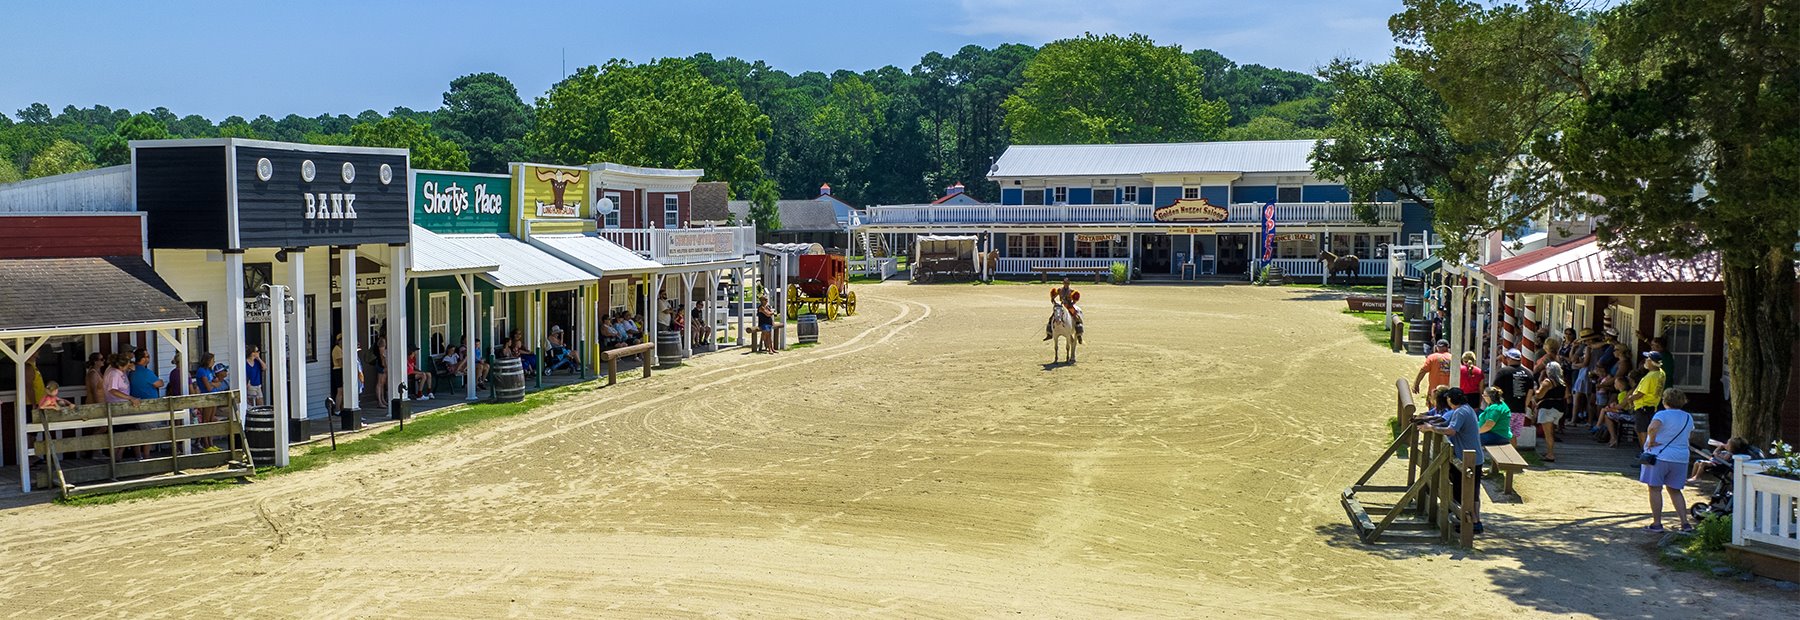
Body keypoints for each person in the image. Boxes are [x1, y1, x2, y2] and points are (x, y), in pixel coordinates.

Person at [1419, 388, 1485, 534]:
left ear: (1451, 400)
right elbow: (1445, 423)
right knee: (1472, 492)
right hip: (1474, 457)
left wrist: (1430, 428)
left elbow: (1451, 430)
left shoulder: (1460, 412)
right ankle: (1474, 521)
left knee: (1464, 491)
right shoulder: (1466, 409)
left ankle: (1471, 522)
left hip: (1467, 458)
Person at [1639, 388, 1695, 533]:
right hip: (1681, 457)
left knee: (1655, 488)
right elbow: (1689, 434)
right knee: (1675, 490)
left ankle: (1657, 523)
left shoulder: (1662, 414)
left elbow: (1652, 428)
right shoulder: (1688, 417)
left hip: (1660, 456)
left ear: (1665, 401)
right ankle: (1685, 523)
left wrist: (1651, 441)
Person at [1529, 360, 1569, 462]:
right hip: (1559, 409)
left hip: (1547, 408)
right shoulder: (1563, 382)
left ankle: (1550, 454)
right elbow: (1566, 396)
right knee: (1551, 432)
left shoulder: (1548, 382)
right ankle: (1549, 451)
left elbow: (1539, 395)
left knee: (1548, 434)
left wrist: (1536, 386)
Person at [1492, 348, 1533, 443]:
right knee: (1513, 435)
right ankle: (1513, 451)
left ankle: (1503, 452)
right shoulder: (1528, 373)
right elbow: (1530, 392)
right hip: (1520, 410)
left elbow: (1495, 389)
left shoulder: (1503, 372)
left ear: (1509, 359)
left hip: (1505, 409)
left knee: (1502, 434)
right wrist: (1525, 405)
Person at [1690, 437, 1760, 483]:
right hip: (1715, 462)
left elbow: (1718, 456)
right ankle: (1693, 477)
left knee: (1703, 463)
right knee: (1697, 462)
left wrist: (1719, 450)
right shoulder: (1726, 452)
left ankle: (1697, 477)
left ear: (1731, 447)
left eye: (1727, 444)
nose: (1726, 445)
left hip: (1718, 465)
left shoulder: (1729, 454)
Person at [1629, 352, 1667, 437]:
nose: (1645, 361)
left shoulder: (1650, 377)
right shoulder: (1661, 373)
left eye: (1647, 359)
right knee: (1646, 429)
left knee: (1642, 431)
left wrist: (1630, 398)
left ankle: (1645, 446)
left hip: (1643, 406)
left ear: (1652, 362)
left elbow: (1640, 394)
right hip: (1653, 405)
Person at [1043, 277, 1083, 343]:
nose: (1066, 284)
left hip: (1069, 306)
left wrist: (1072, 303)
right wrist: (1053, 300)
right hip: (1061, 306)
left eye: (1067, 283)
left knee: (1077, 318)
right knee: (1051, 318)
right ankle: (1049, 334)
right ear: (1063, 283)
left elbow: (1075, 299)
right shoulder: (1059, 290)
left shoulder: (1071, 291)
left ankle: (1079, 335)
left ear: (1069, 284)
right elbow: (1053, 296)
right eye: (1065, 283)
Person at [330, 333, 345, 413]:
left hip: (341, 370)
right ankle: (337, 409)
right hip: (338, 370)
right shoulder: (337, 349)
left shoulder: (342, 349)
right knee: (340, 390)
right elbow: (341, 363)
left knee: (344, 391)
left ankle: (342, 408)